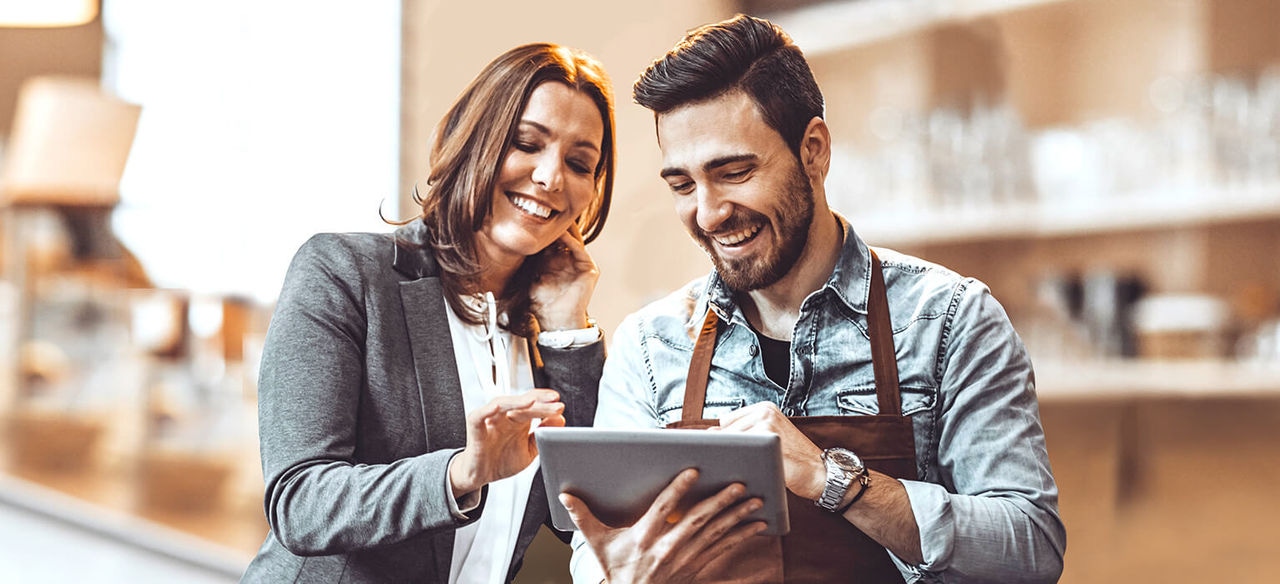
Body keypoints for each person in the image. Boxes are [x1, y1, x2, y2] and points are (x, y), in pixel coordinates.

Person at [563, 14, 1065, 583]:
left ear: (814, 151)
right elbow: (600, 553)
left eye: (733, 172)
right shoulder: (651, 347)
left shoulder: (952, 320)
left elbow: (1031, 549)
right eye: (683, 185)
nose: (707, 212)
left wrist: (832, 480)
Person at [240, 42, 616, 583]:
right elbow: (301, 502)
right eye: (526, 144)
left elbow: (578, 514)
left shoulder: (550, 333)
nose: (551, 178)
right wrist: (461, 472)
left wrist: (567, 327)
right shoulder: (345, 273)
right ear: (475, 141)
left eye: (580, 163)